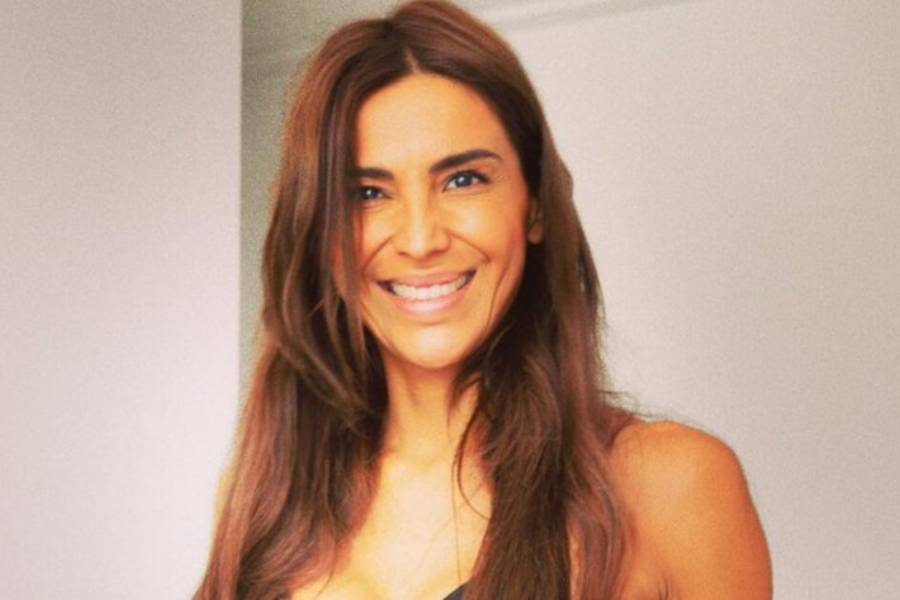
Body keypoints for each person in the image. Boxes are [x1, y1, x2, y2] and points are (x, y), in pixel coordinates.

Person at [195, 1, 771, 598]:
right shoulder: (265, 500)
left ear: (534, 204)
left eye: (462, 180)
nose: (420, 239)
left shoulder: (668, 484)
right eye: (367, 193)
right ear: (319, 234)